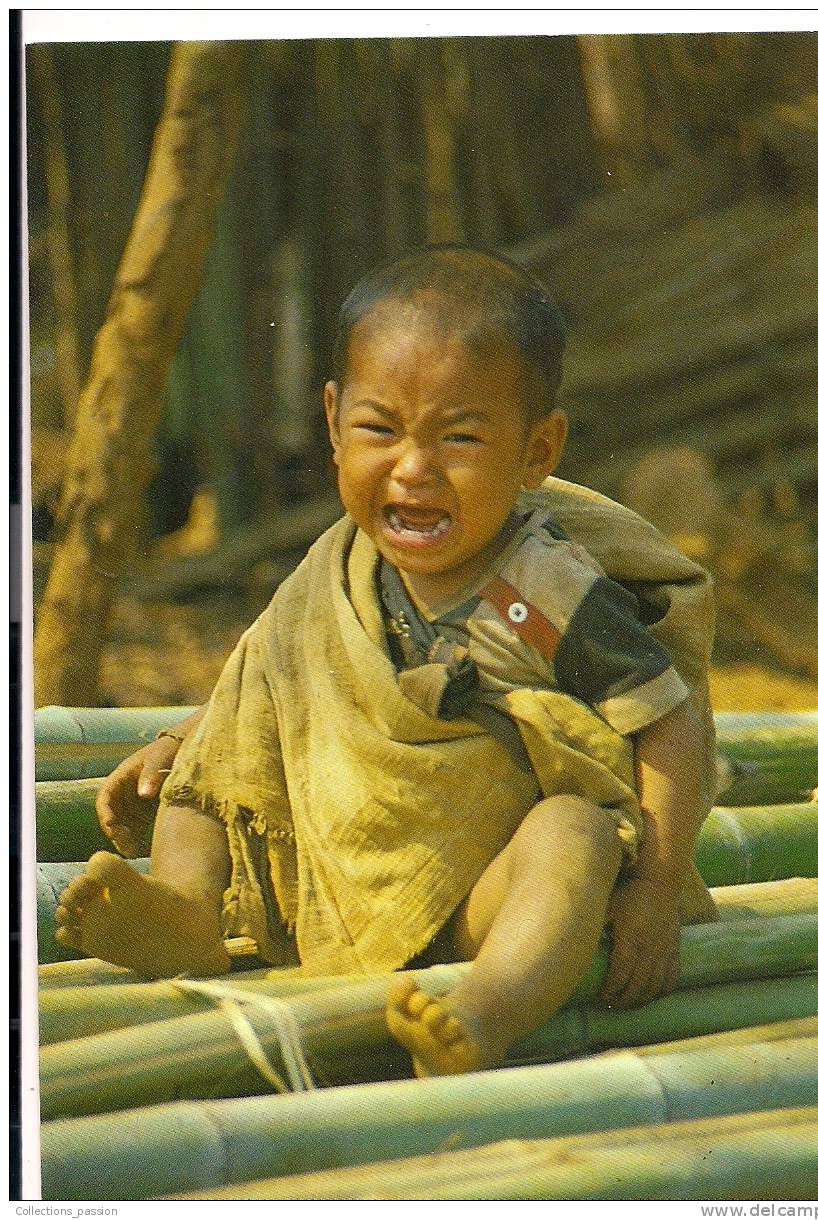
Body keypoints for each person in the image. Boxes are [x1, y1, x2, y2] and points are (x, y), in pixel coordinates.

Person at [56, 246, 717, 1077]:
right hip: (329, 880)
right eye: (380, 429)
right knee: (219, 752)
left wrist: (655, 885)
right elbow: (269, 695)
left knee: (574, 831)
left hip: (483, 893)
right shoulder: (335, 572)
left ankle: (486, 1008)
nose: (414, 468)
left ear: (537, 450)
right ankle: (188, 912)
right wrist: (181, 743)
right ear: (333, 423)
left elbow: (669, 726)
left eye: (462, 436)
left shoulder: (543, 593)